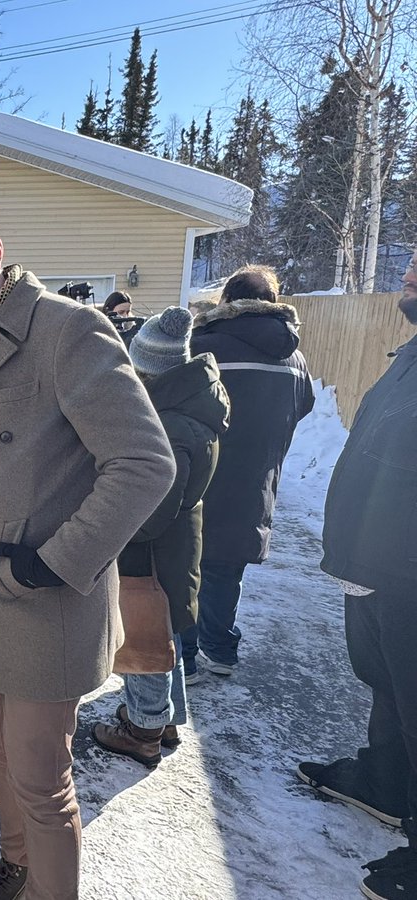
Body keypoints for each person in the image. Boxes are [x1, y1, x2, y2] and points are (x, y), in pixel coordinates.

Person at [0, 202, 175, 900]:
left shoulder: (66, 328)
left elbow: (144, 462)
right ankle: (17, 868)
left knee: (40, 779)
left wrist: (57, 560)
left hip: (40, 596)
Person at [297, 247, 417, 900]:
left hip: (408, 571)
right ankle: (385, 785)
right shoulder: (410, 357)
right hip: (377, 567)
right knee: (388, 686)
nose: (409, 269)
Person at [91, 307, 229, 768]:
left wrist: (111, 527)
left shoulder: (169, 424)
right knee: (161, 635)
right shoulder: (191, 404)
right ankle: (165, 719)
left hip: (152, 550)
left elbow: (151, 511)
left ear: (149, 368)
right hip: (174, 546)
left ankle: (143, 731)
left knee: (143, 639)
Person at [181, 264, 314, 681]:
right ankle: (220, 650)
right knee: (226, 571)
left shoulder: (200, 346)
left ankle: (185, 659)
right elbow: (303, 406)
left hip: (198, 479)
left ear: (227, 301)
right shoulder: (293, 357)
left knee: (184, 570)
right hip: (255, 484)